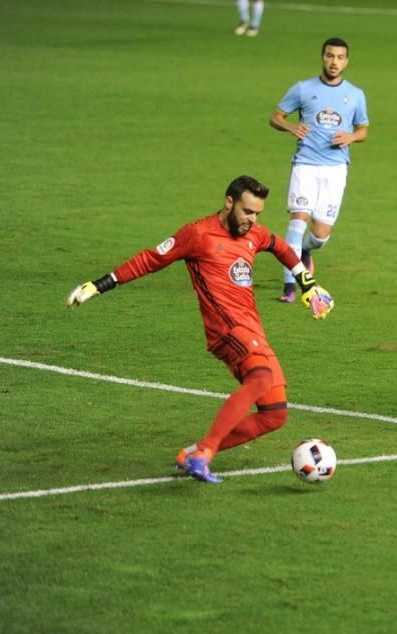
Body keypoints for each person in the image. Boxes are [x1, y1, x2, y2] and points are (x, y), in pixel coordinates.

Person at [66, 176, 334, 483]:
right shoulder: (197, 234)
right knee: (260, 378)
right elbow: (150, 260)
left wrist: (305, 282)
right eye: (247, 211)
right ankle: (205, 453)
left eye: (257, 213)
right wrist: (98, 285)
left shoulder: (254, 234)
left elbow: (281, 247)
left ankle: (192, 454)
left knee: (275, 414)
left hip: (252, 330)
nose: (252, 220)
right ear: (229, 202)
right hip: (226, 331)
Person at [270, 37, 370, 302]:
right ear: (322, 57)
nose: (334, 61)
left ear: (346, 61)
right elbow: (276, 116)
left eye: (339, 57)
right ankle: (291, 286)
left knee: (320, 235)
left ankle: (304, 251)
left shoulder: (356, 95)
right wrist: (291, 127)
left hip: (336, 169)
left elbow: (363, 130)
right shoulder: (303, 89)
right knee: (296, 221)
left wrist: (351, 137)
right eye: (329, 56)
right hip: (305, 164)